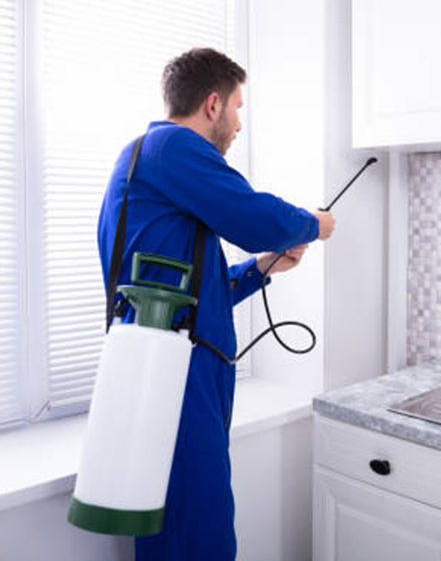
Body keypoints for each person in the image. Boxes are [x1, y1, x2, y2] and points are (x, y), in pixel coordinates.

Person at [97, 48, 335, 561]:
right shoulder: (173, 148)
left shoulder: (147, 160)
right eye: (237, 108)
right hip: (179, 379)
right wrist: (313, 224)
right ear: (212, 104)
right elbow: (255, 218)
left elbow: (184, 292)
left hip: (163, 369)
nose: (239, 124)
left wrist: (260, 269)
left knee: (171, 532)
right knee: (202, 536)